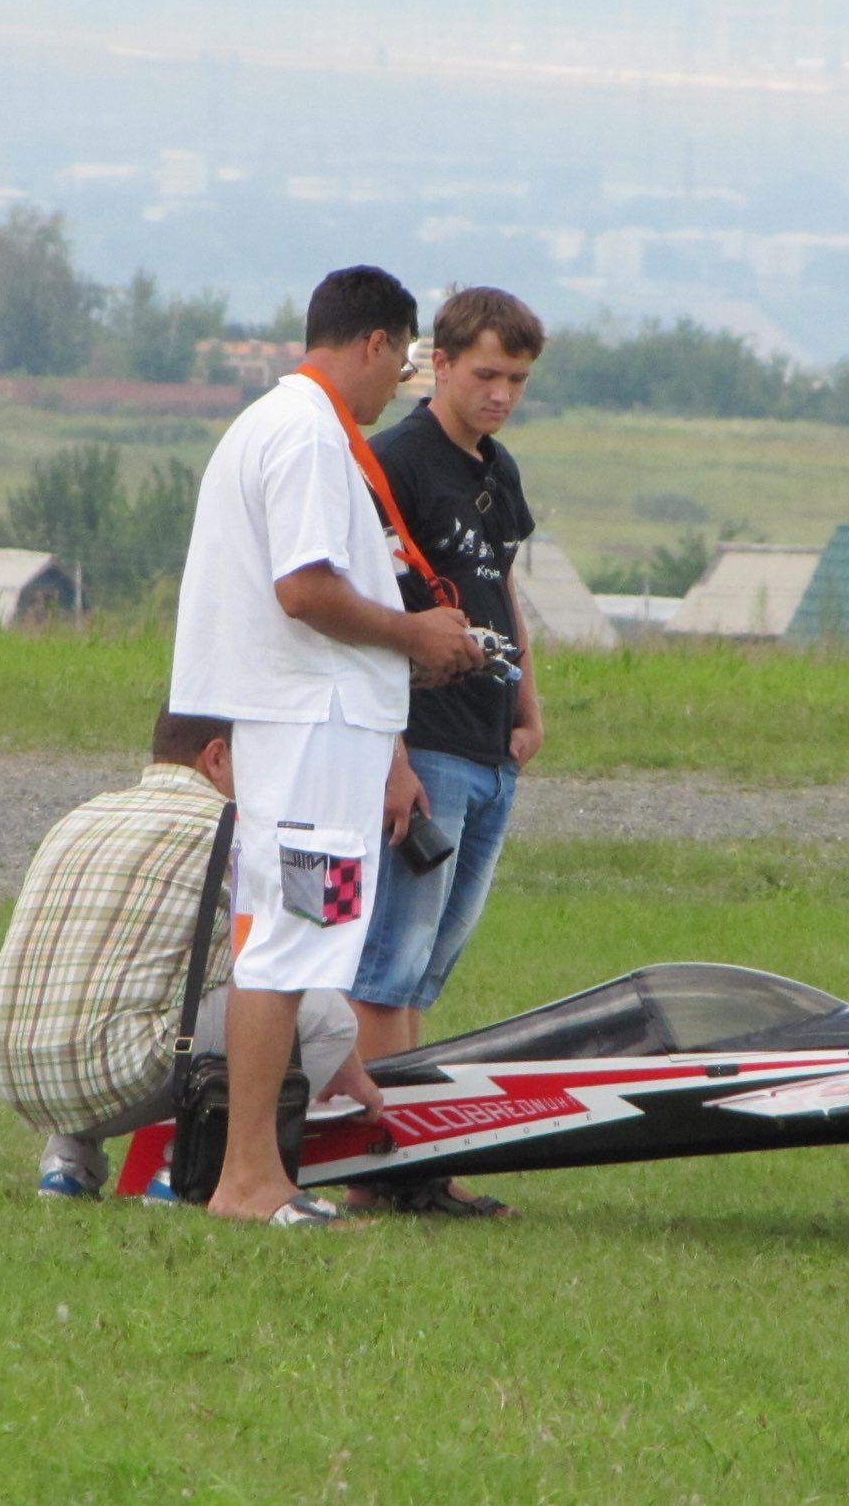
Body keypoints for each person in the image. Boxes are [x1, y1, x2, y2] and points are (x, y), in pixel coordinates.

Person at [169, 264, 484, 1227]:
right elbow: (304, 590)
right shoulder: (308, 433)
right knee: (286, 943)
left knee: (301, 941)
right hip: (309, 730)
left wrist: (401, 656)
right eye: (404, 365)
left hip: (317, 724)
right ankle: (249, 1179)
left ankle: (262, 1169)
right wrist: (415, 635)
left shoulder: (282, 424)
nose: (400, 390)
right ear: (376, 344)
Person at [0, 708, 378, 1209]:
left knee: (110, 986)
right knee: (329, 1020)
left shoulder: (85, 813)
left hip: (11, 1069)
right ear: (217, 756)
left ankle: (68, 1163)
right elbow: (295, 960)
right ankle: (189, 1166)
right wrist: (353, 1068)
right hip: (118, 1073)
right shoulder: (242, 831)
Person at [348, 286, 546, 1218]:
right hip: (424, 742)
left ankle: (414, 1151)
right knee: (389, 962)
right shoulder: (395, 464)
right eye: (486, 375)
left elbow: (503, 591)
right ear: (439, 363)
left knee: (429, 966)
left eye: (516, 379)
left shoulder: (498, 473)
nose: (501, 394)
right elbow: (373, 617)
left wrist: (527, 705)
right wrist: (389, 750)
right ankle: (382, 1163)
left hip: (488, 742)